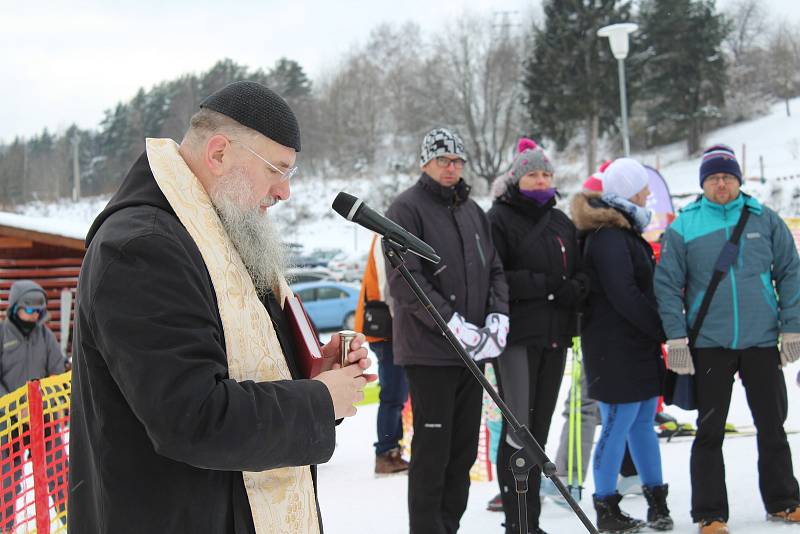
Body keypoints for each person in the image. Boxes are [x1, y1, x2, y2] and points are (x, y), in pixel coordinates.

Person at [68, 81, 376, 534]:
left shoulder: (218, 233)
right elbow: (192, 417)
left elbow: (243, 373)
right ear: (218, 153)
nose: (284, 192)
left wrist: (312, 372)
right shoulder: (144, 248)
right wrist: (318, 400)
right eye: (278, 169)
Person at [655, 144, 800, 534]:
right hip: (710, 343)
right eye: (714, 178)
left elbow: (790, 272)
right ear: (703, 183)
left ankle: (785, 500)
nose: (722, 183)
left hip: (761, 339)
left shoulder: (764, 219)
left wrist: (792, 327)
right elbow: (667, 285)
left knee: (772, 424)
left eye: (728, 176)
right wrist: (678, 339)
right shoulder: (685, 225)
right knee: (710, 429)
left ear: (739, 180)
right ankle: (710, 513)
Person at [386, 127, 509, 534]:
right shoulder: (406, 209)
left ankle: (448, 526)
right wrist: (449, 323)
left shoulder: (472, 210)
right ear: (426, 163)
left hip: (471, 353)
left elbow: (493, 267)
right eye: (443, 160)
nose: (451, 168)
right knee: (432, 450)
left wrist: (497, 315)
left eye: (457, 161)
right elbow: (406, 280)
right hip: (429, 352)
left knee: (461, 453)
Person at [487, 138, 587, 534]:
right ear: (517, 178)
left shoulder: (561, 222)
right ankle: (518, 521)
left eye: (546, 173)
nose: (541, 179)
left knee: (539, 430)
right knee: (518, 431)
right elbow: (497, 277)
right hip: (516, 338)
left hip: (555, 336)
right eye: (533, 174)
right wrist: (545, 286)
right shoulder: (499, 218)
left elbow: (580, 271)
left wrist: (575, 288)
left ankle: (533, 521)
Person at [572, 158, 673, 532]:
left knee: (643, 421)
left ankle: (656, 501)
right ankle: (605, 506)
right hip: (614, 347)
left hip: (635, 344)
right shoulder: (610, 236)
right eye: (644, 187)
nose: (649, 193)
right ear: (630, 191)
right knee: (617, 422)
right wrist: (660, 327)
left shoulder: (625, 231)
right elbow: (624, 294)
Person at [0, 280, 68, 530]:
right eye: (28, 310)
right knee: (6, 480)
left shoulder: (45, 336)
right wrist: (17, 406)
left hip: (44, 419)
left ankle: (71, 520)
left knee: (59, 472)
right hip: (12, 423)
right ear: (15, 307)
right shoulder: (2, 334)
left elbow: (57, 373)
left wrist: (52, 399)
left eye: (38, 311)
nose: (33, 315)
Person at [355, 234, 409, 475]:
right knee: (393, 394)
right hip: (387, 330)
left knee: (396, 393)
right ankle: (386, 452)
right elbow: (385, 288)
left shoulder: (385, 236)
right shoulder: (382, 238)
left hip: (390, 329)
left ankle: (392, 449)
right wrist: (403, 323)